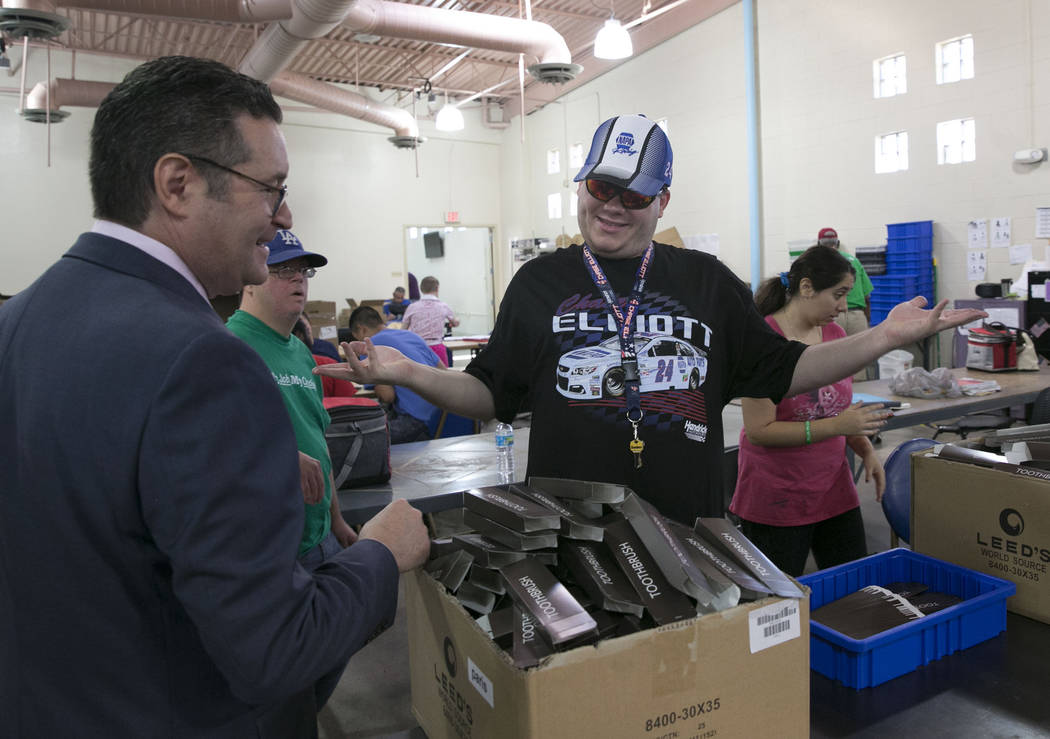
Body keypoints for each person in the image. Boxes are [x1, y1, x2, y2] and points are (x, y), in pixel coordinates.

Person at [0, 56, 429, 737]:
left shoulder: (19, 320)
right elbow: (275, 650)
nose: (283, 215)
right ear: (178, 184)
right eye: (271, 188)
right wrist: (379, 553)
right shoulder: (203, 359)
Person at [316, 113, 984, 526]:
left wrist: (884, 336)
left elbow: (788, 369)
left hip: (686, 526)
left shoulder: (706, 283)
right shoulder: (539, 283)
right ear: (582, 184)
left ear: (663, 200)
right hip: (566, 528)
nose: (613, 205)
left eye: (635, 195)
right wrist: (411, 372)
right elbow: (491, 392)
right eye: (601, 187)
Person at [729, 246, 887, 576]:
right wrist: (837, 427)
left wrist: (865, 449)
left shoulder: (835, 335)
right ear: (806, 287)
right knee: (782, 596)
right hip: (778, 497)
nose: (844, 307)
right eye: (838, 294)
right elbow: (760, 431)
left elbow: (836, 407)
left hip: (833, 490)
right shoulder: (763, 342)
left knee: (852, 585)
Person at [227, 229, 356, 565]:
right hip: (272, 551)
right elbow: (216, 448)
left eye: (303, 271)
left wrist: (336, 520)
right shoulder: (228, 348)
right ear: (250, 281)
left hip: (320, 536)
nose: (298, 279)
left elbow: (317, 439)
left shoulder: (301, 353)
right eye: (284, 270)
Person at [349, 305, 442, 443]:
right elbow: (442, 370)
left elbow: (387, 396)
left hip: (416, 420)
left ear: (361, 329)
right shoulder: (410, 335)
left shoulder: (369, 346)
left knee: (361, 439)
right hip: (440, 415)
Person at [818, 227, 875, 380]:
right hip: (858, 315)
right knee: (859, 359)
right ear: (837, 243)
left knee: (833, 360)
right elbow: (867, 296)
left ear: (819, 244)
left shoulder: (819, 264)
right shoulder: (854, 261)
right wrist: (866, 319)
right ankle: (859, 391)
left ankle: (837, 391)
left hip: (832, 316)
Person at [294, 313, 358, 398]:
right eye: (307, 330)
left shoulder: (275, 367)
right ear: (300, 335)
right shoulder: (327, 363)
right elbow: (350, 399)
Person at [402, 275, 460, 342]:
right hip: (436, 345)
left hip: (417, 345)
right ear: (437, 288)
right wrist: (458, 319)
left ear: (421, 289)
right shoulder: (443, 306)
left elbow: (403, 330)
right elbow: (455, 323)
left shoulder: (412, 307)